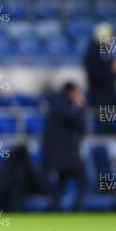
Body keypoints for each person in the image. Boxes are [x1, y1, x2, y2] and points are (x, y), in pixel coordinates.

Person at [42, 82, 86, 212]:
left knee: (61, 184)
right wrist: (80, 107)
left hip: (62, 156)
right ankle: (77, 208)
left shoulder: (56, 105)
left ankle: (54, 208)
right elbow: (78, 123)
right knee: (80, 181)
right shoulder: (62, 107)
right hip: (68, 156)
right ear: (71, 92)